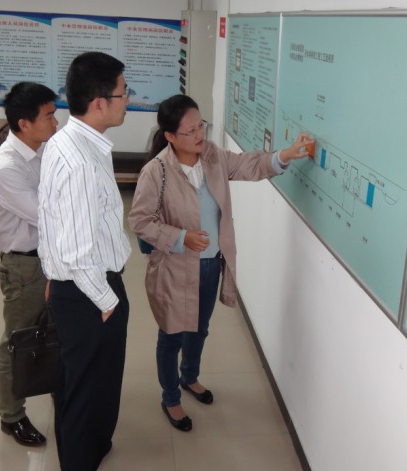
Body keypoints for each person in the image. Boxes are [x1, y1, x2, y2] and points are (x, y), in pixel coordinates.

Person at [128, 94, 313, 432]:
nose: (200, 134)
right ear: (170, 136)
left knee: (199, 328)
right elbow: (140, 221)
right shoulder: (156, 171)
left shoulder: (213, 157)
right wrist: (181, 237)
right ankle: (170, 397)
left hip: (211, 265)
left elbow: (248, 165)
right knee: (172, 335)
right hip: (174, 269)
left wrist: (284, 156)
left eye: (201, 126)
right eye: (190, 131)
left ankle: (190, 377)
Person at [38, 52, 141, 471]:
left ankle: (85, 457)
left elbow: (53, 223)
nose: (127, 100)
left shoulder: (68, 143)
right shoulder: (79, 160)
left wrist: (55, 276)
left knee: (79, 389)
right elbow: (78, 251)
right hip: (90, 292)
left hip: (77, 286)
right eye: (123, 93)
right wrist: (105, 302)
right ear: (99, 102)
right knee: (85, 397)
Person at [0, 81, 58, 446]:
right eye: (48, 116)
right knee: (17, 341)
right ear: (24, 123)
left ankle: (57, 388)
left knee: (54, 332)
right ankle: (11, 416)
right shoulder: (6, 166)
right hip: (25, 267)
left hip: (52, 258)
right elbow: (46, 214)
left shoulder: (43, 149)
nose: (55, 122)